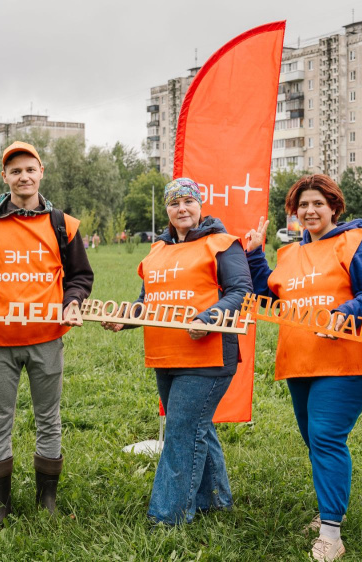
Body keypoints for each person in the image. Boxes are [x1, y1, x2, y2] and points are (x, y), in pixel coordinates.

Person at [245, 174, 362, 561]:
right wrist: (257, 254)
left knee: (325, 437)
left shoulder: (355, 242)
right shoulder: (289, 254)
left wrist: (341, 315)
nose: (310, 211)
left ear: (334, 208)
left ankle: (331, 534)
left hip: (349, 361)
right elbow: (267, 299)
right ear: (294, 212)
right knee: (316, 441)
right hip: (300, 361)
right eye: (302, 205)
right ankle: (331, 508)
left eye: (317, 204)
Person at [0, 141, 93, 524]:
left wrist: (74, 299)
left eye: (30, 169)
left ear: (41, 172)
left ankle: (47, 499)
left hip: (47, 337)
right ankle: (0, 503)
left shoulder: (63, 224)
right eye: (15, 171)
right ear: (5, 177)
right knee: (0, 421)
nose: (23, 176)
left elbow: (80, 275)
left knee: (49, 419)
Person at [103, 177, 252, 525]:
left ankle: (168, 516)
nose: (181, 208)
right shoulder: (158, 250)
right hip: (165, 355)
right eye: (174, 203)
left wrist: (208, 317)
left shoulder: (222, 243)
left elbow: (241, 291)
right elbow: (148, 302)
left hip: (209, 357)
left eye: (187, 201)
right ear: (167, 210)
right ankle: (215, 501)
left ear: (200, 204)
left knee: (181, 431)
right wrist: (124, 320)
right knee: (196, 425)